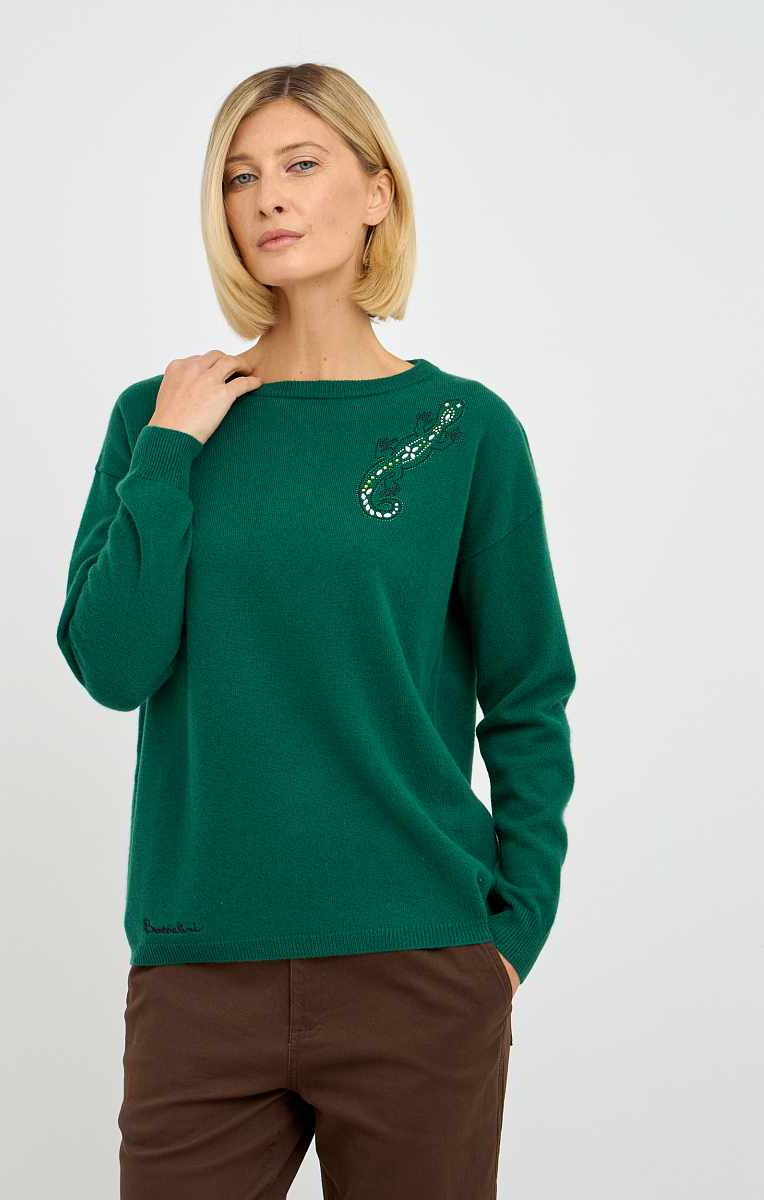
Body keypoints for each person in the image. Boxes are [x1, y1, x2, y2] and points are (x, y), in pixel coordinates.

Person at [56, 62, 576, 1200]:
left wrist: (511, 936)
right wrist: (170, 453)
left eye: (301, 164)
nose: (269, 198)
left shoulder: (462, 430)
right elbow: (112, 663)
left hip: (419, 965)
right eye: (240, 177)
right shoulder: (158, 416)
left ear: (378, 192)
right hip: (200, 968)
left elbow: (528, 695)